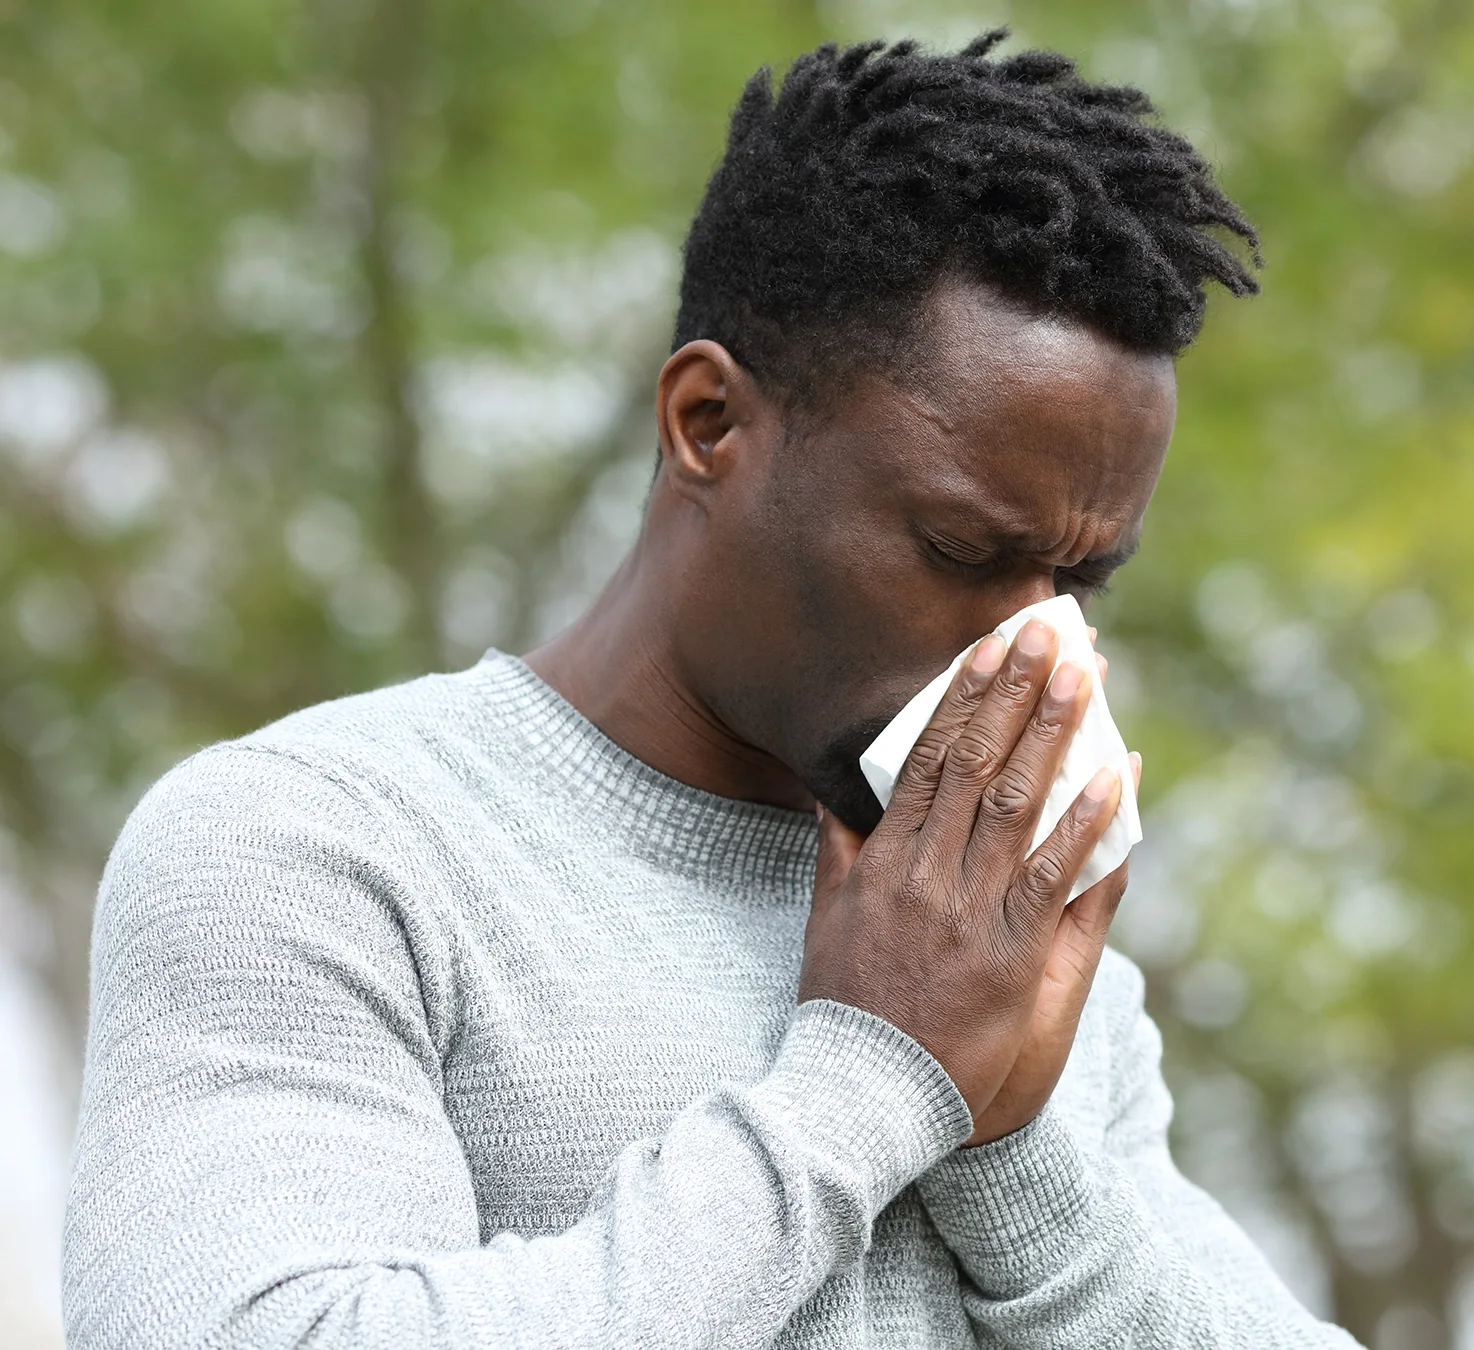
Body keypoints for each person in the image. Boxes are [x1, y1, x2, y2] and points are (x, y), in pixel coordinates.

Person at [64, 32, 1360, 1349]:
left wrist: (1015, 1159)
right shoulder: (315, 848)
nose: (1035, 658)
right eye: (963, 552)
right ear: (708, 423)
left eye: (1081, 581)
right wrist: (869, 1081)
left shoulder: (1001, 931)